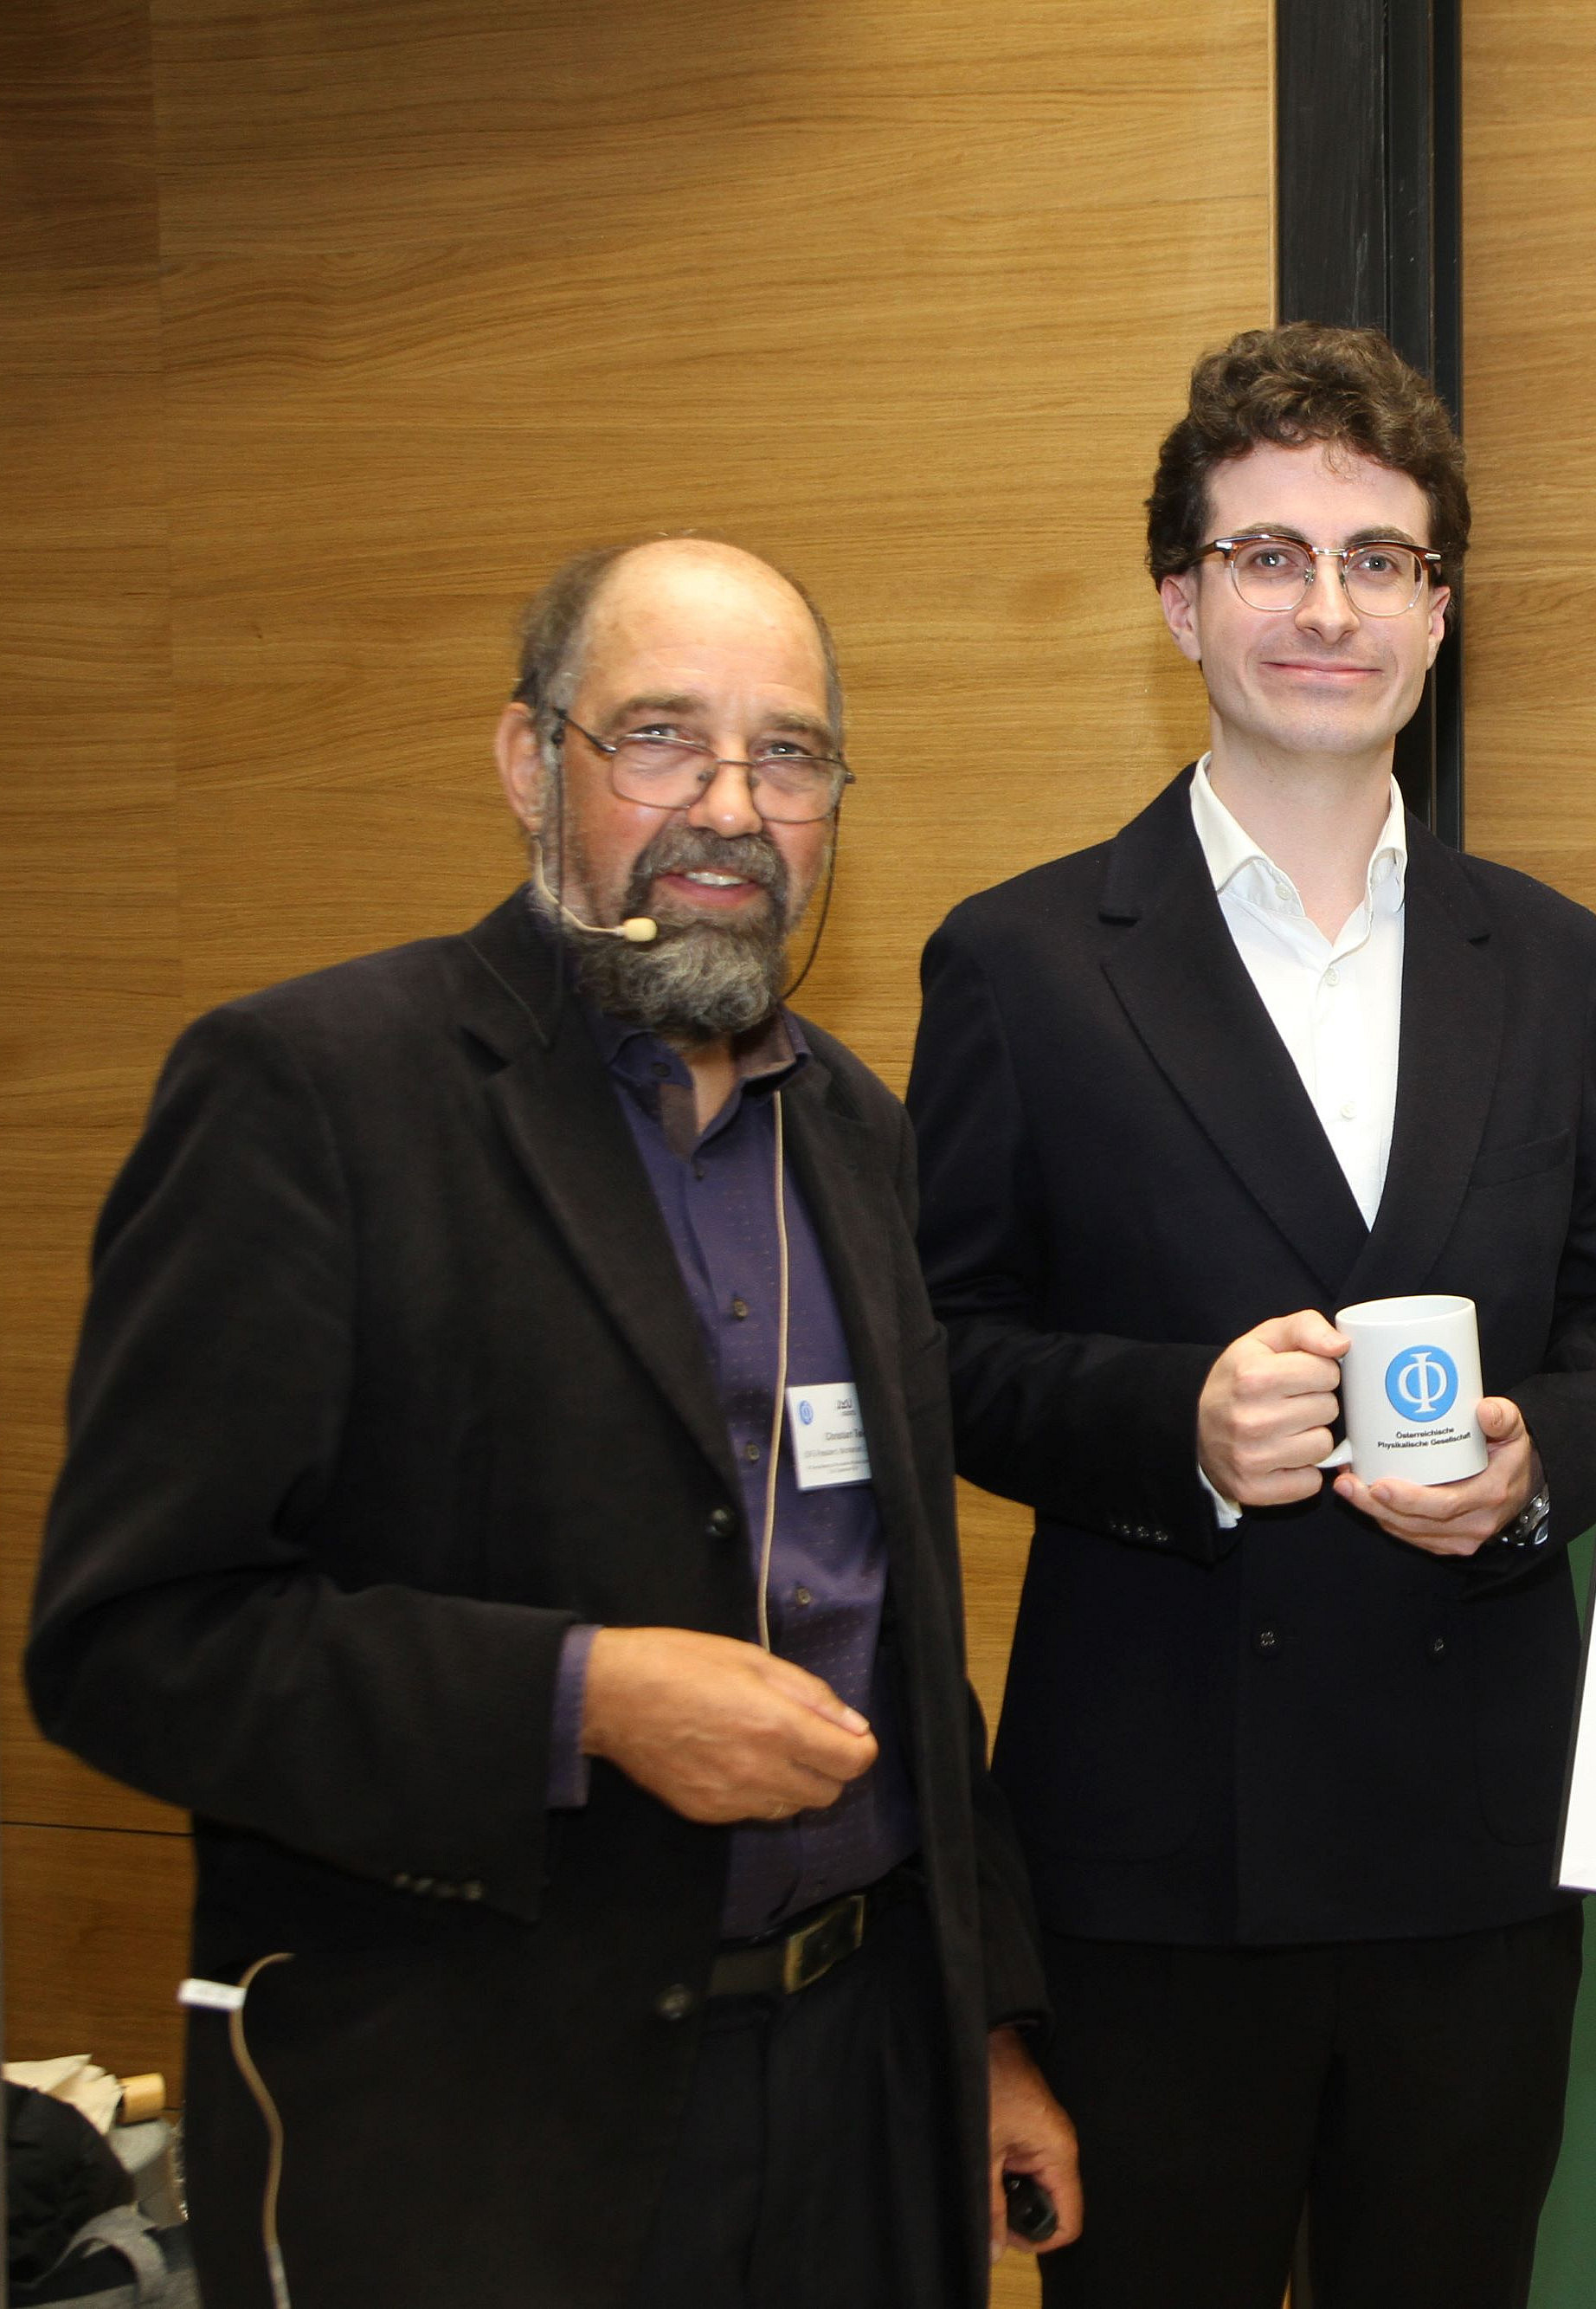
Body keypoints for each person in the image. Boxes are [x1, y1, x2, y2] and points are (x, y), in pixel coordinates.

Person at [25, 537, 1083, 2309]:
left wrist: (986, 2026)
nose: (730, 807)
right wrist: (582, 1699)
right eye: (660, 736)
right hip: (492, 2135)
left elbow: (895, 1638)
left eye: (790, 755)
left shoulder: (862, 1139)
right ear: (532, 760)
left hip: (855, 2098)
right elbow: (133, 1642)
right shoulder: (313, 1093)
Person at [906, 323, 1596, 2307]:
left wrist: (1537, 1462)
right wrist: (1176, 1416)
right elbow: (942, 1344)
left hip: (1477, 1844)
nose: (1326, 605)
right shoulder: (1020, 957)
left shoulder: (1554, 958)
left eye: (1380, 558)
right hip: (1157, 1857)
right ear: (1181, 599)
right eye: (1269, 555)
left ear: (1441, 612)